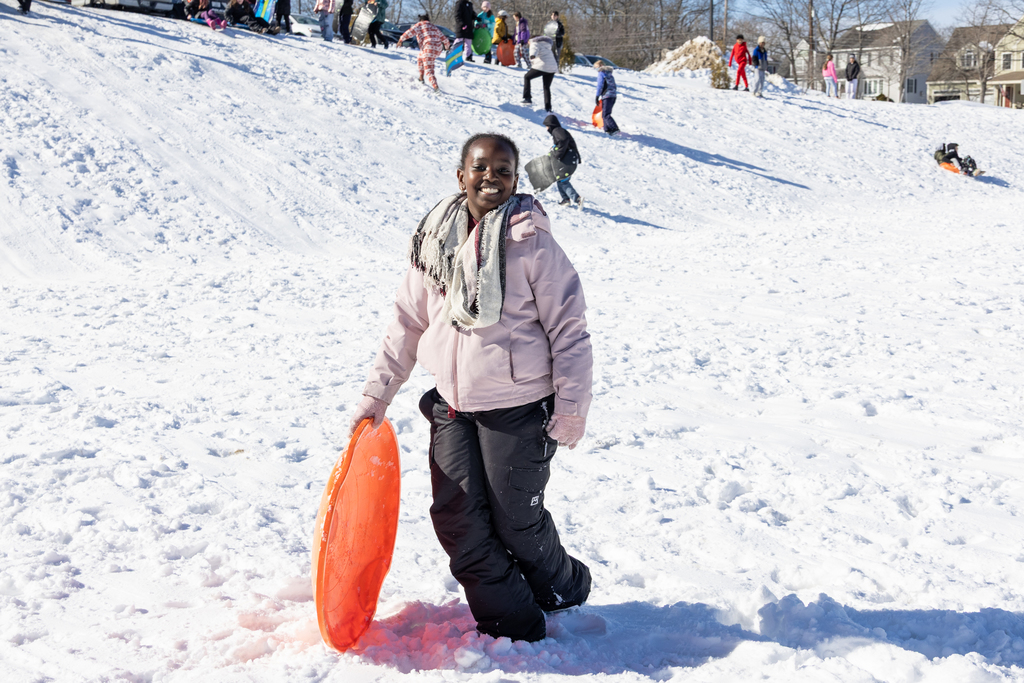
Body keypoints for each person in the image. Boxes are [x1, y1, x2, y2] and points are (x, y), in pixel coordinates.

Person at [349, 133, 593, 643]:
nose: (491, 178)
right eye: (480, 168)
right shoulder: (436, 241)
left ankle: (565, 585)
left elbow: (569, 328)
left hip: (518, 408)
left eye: (503, 171)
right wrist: (377, 396)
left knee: (515, 523)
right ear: (461, 175)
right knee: (458, 521)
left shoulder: (532, 243)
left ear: (514, 179)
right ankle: (513, 627)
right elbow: (407, 323)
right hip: (452, 408)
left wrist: (570, 407)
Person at [398, 14, 451, 91]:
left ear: (421, 20)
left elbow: (410, 32)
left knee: (429, 69)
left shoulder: (420, 24)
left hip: (428, 47)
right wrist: (447, 47)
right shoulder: (434, 27)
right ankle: (421, 78)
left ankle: (435, 87)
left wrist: (401, 39)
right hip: (437, 49)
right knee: (420, 57)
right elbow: (444, 38)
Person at [543, 115, 583, 207]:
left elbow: (563, 140)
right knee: (560, 180)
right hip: (570, 159)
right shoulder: (558, 131)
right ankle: (566, 199)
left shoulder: (557, 130)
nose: (546, 129)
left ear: (551, 125)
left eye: (547, 126)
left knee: (563, 181)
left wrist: (558, 155)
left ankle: (577, 199)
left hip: (569, 160)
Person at [522, 33, 558, 111]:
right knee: (546, 87)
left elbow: (533, 49)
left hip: (542, 66)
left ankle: (527, 98)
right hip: (552, 67)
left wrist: (532, 56)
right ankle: (548, 108)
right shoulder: (546, 44)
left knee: (527, 77)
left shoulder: (534, 42)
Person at [594, 60, 619, 135]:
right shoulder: (610, 74)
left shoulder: (601, 73)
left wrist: (597, 96)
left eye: (596, 68)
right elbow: (614, 85)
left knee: (605, 114)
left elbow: (600, 85)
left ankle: (614, 128)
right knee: (605, 113)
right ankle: (607, 129)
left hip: (607, 95)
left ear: (600, 66)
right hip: (613, 95)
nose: (596, 70)